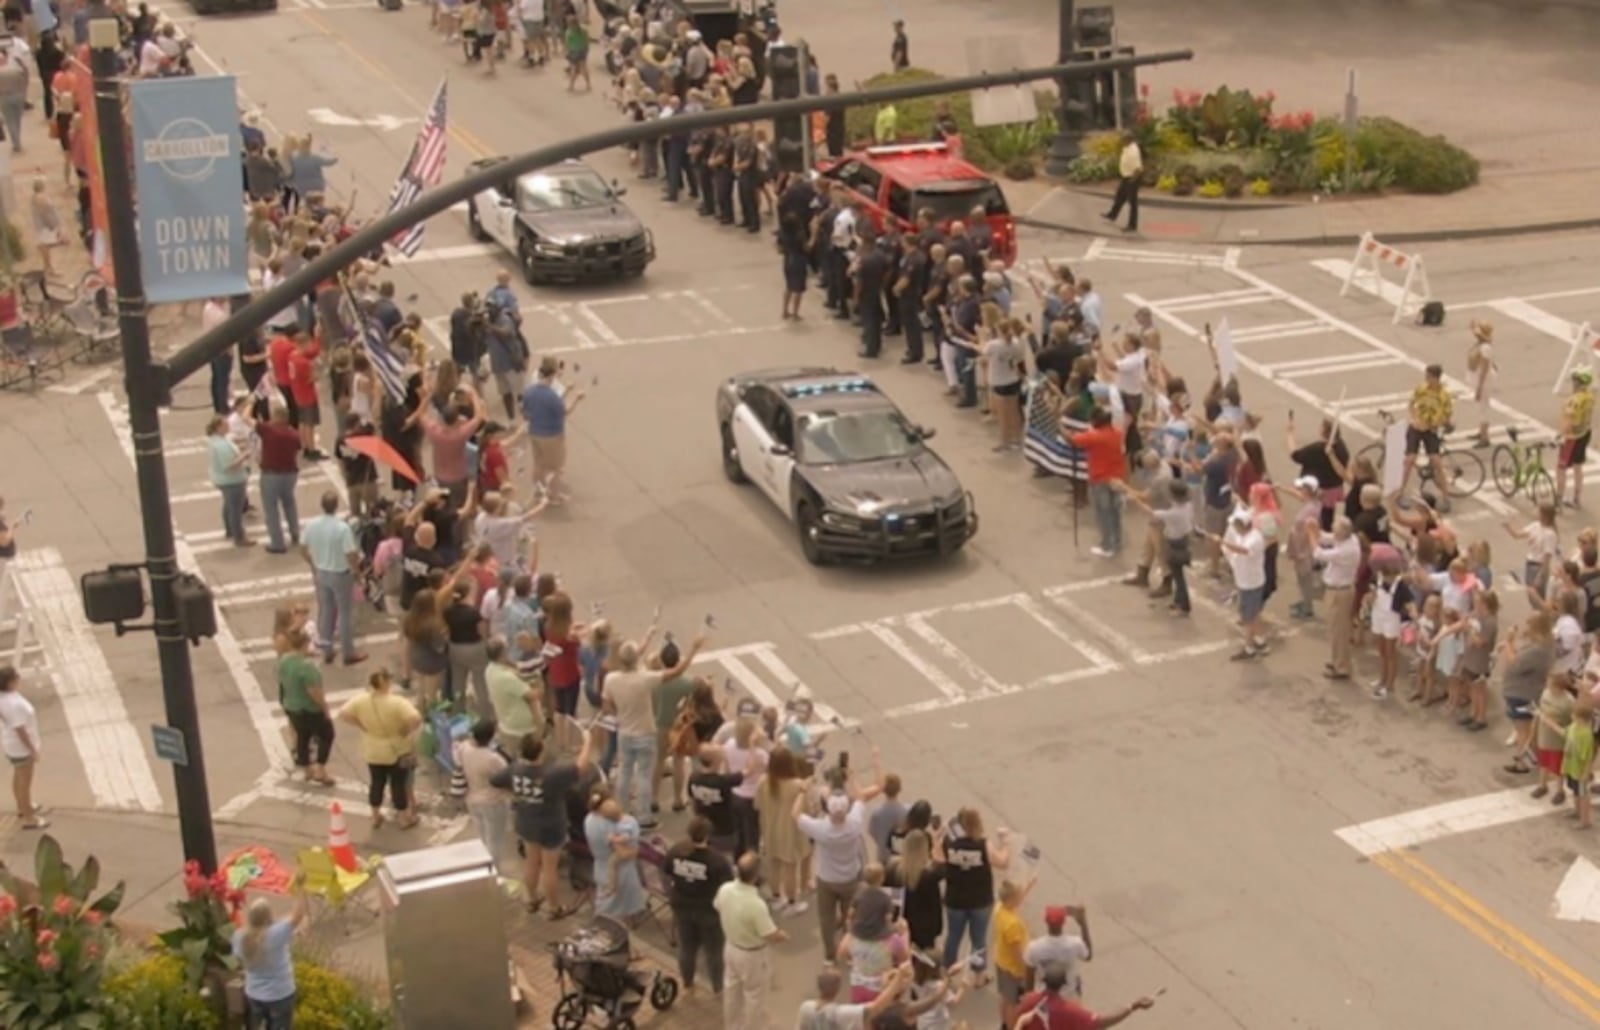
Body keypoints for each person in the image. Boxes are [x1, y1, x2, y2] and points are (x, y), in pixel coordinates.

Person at [492, 723, 600, 917]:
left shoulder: (515, 769)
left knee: (532, 863)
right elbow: (581, 766)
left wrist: (518, 794)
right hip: (551, 826)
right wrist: (587, 742)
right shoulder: (552, 774)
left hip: (526, 822)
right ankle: (553, 907)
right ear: (540, 752)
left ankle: (531, 899)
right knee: (549, 868)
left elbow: (495, 780)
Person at [607, 631, 705, 827]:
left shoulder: (614, 679)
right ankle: (678, 799)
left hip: (649, 726)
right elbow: (689, 683)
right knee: (678, 762)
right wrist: (693, 650)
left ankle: (647, 802)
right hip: (674, 726)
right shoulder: (674, 682)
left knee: (645, 766)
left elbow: (608, 705)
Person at [337, 670, 423, 830]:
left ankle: (375, 815)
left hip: (372, 750)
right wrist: (406, 730)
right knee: (398, 784)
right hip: (397, 749)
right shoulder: (397, 702)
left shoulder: (361, 701)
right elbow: (416, 718)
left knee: (376, 783)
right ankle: (404, 818)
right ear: (387, 683)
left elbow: (343, 713)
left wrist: (360, 725)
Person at [715, 852, 789, 1030]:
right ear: (756, 876)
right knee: (755, 996)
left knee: (732, 991)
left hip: (731, 947)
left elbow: (717, 906)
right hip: (752, 955)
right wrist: (782, 935)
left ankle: (732, 1026)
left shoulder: (725, 889)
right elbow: (769, 934)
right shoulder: (756, 904)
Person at [666, 814, 734, 995]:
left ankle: (687, 983)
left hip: (682, 907)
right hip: (709, 912)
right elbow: (728, 886)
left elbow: (665, 873)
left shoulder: (675, 852)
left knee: (687, 948)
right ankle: (718, 987)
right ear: (708, 835)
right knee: (714, 952)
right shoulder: (717, 861)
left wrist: (672, 893)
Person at [300, 491, 367, 666]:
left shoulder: (312, 525)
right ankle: (348, 652)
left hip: (321, 571)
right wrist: (358, 572)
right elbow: (351, 554)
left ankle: (327, 650)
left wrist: (313, 563)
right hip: (341, 573)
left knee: (326, 611)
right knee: (344, 613)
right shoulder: (342, 528)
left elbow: (302, 548)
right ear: (336, 506)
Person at [233, 888, 310, 1030]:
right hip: (280, 994)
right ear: (269, 917)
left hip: (254, 993)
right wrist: (300, 889)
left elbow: (238, 958)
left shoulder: (240, 937)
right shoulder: (275, 934)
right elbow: (297, 916)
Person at [521, 358, 586, 504]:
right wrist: (576, 398)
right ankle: (553, 495)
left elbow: (525, 413)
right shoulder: (551, 396)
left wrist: (567, 390)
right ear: (552, 376)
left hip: (535, 432)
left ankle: (538, 489)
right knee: (555, 467)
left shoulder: (530, 392)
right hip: (552, 436)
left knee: (539, 463)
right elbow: (564, 411)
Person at [1014, 962, 1155, 1030]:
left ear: (1043, 981)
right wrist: (1133, 1006)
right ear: (1064, 984)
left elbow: (1015, 1021)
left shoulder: (1029, 1001)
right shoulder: (1071, 1010)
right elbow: (1102, 1022)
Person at [277, 627, 335, 787]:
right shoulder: (307, 669)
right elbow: (314, 692)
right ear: (305, 644)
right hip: (309, 709)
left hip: (291, 706)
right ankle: (320, 769)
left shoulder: (284, 660)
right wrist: (325, 708)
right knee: (327, 735)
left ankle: (307, 769)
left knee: (303, 736)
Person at [458, 716, 511, 870]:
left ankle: (483, 868)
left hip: (472, 799)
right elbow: (506, 775)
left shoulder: (464, 748)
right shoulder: (492, 759)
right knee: (495, 842)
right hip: (493, 803)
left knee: (483, 838)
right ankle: (494, 872)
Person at [1072, 408, 1126, 558]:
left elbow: (1075, 440)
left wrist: (1060, 427)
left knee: (1104, 512)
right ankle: (1117, 541)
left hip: (1100, 478)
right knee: (1115, 512)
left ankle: (1107, 544)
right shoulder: (1117, 433)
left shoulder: (1096, 436)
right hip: (1116, 477)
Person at [0, 666, 46, 830]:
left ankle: (22, 806)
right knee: (25, 782)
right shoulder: (14, 704)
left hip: (11, 745)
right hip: (20, 748)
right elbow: (21, 730)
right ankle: (29, 818)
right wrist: (32, 749)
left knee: (19, 777)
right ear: (11, 682)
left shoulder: (5, 697)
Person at [1024, 905, 1092, 996]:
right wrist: (1083, 923)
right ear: (1063, 922)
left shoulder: (1033, 947)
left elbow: (1029, 977)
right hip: (1069, 996)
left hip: (1043, 997)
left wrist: (1030, 998)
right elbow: (1088, 955)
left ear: (1046, 921)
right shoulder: (1075, 943)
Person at [207, 415, 251, 547]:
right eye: (225, 425)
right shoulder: (220, 446)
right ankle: (239, 537)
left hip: (223, 480)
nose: (228, 427)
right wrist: (244, 456)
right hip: (232, 480)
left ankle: (230, 530)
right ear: (218, 427)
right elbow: (229, 466)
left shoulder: (216, 441)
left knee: (228, 506)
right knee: (235, 510)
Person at [1557, 367, 1595, 509]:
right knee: (1578, 466)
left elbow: (1569, 421)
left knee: (1561, 468)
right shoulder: (1590, 397)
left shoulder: (1574, 401)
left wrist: (1560, 436)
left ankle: (1559, 499)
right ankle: (1576, 498)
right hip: (1584, 433)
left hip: (1571, 437)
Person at [1101, 132, 1142, 233]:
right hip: (1126, 177)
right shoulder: (1127, 147)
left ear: (1128, 140)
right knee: (1119, 196)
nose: (1121, 142)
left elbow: (1138, 169)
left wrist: (1132, 181)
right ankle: (1112, 215)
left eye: (1123, 140)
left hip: (1132, 178)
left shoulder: (1133, 152)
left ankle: (1132, 226)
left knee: (1133, 203)